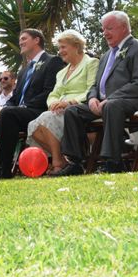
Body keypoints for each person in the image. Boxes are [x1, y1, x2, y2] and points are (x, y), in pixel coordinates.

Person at [54, 11, 138, 176]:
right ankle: (76, 163)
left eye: (109, 28)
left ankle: (113, 161)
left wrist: (110, 98)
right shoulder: (107, 55)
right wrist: (92, 97)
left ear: (124, 28)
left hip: (132, 100)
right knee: (72, 111)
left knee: (112, 106)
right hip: (102, 102)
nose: (105, 33)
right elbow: (95, 84)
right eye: (103, 29)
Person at [0, 29, 65, 180]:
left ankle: (4, 169)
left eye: (24, 39)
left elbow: (50, 92)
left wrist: (19, 108)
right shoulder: (23, 71)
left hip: (38, 112)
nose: (20, 42)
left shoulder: (52, 61)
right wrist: (3, 107)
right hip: (14, 115)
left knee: (9, 113)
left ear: (37, 40)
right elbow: (15, 98)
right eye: (20, 39)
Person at [26, 30, 99, 174]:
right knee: (32, 127)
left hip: (80, 108)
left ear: (76, 46)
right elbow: (54, 94)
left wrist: (69, 102)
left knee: (45, 119)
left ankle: (58, 163)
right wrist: (53, 103)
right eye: (59, 48)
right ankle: (62, 160)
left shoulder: (91, 63)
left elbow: (92, 89)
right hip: (59, 109)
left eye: (63, 47)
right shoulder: (61, 72)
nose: (60, 51)